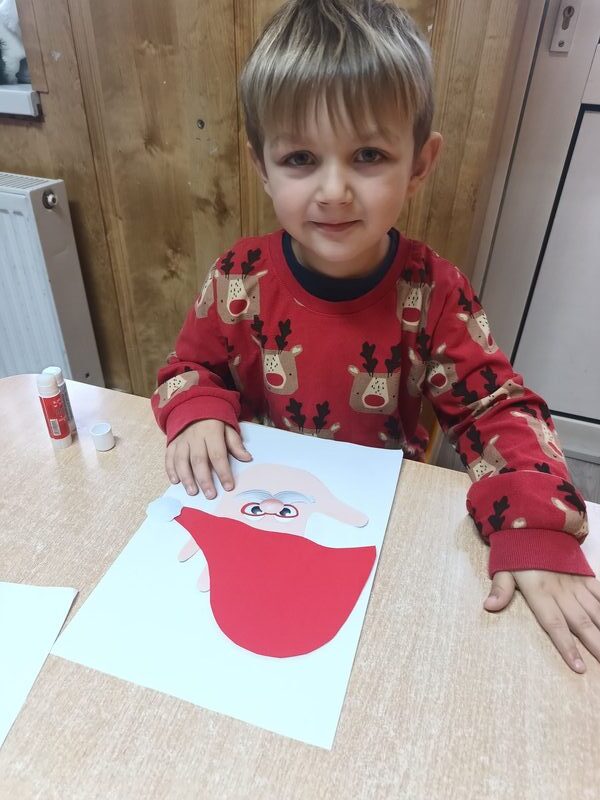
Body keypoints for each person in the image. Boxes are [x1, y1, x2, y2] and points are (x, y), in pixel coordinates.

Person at [152, 0, 600, 672]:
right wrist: (195, 411)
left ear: (419, 164)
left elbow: (496, 409)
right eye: (300, 158)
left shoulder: (435, 292)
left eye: (368, 155)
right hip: (259, 513)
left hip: (381, 532)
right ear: (262, 166)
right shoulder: (237, 277)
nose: (333, 190)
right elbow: (187, 369)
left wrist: (537, 527)